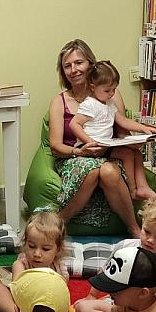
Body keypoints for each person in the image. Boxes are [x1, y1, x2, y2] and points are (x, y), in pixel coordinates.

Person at [49, 38, 141, 236]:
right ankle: (59, 222)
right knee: (92, 170)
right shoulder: (59, 101)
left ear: (91, 64)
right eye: (67, 66)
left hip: (108, 155)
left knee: (108, 171)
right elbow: (55, 146)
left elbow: (121, 130)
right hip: (75, 156)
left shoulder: (110, 94)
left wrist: (137, 139)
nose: (73, 70)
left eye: (79, 63)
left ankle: (133, 227)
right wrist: (79, 152)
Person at [12, 208, 101, 312]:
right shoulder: (21, 265)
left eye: (46, 249)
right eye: (31, 246)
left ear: (58, 249)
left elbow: (62, 303)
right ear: (25, 243)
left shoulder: (60, 268)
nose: (37, 254)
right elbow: (17, 297)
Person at [69, 60, 156, 200]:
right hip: (89, 147)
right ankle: (132, 190)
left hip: (105, 145)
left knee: (134, 153)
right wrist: (88, 141)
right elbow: (74, 124)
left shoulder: (109, 103)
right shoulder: (90, 105)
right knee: (127, 155)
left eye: (114, 89)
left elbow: (123, 121)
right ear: (92, 87)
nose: (111, 94)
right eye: (107, 90)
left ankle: (140, 188)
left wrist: (144, 128)